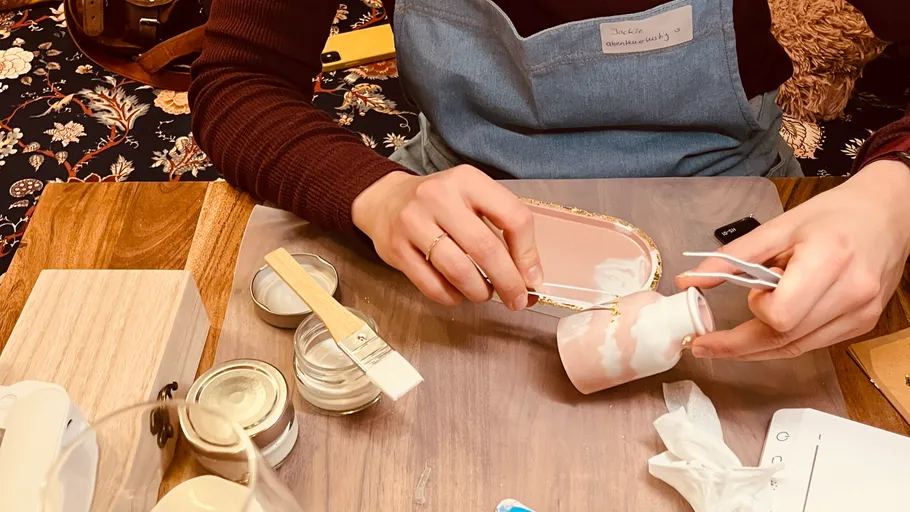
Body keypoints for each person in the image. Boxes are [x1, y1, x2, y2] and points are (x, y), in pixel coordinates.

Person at [189, 0, 910, 361]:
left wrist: (892, 194)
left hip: (731, 228)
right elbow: (239, 80)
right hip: (446, 225)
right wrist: (378, 196)